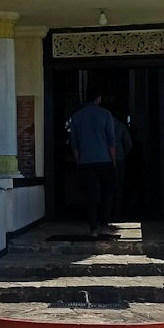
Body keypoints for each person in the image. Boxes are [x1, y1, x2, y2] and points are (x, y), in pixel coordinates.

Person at [69, 91, 116, 237]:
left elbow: (74, 144)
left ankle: (93, 229)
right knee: (106, 194)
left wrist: (79, 162)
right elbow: (111, 141)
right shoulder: (106, 114)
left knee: (90, 195)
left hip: (85, 162)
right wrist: (113, 161)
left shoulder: (76, 117)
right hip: (104, 161)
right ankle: (104, 226)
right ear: (99, 98)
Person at [110, 110, 132, 218]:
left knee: (106, 187)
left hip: (105, 158)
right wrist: (122, 153)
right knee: (118, 186)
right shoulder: (121, 126)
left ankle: (105, 213)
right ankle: (117, 213)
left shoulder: (103, 125)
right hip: (119, 158)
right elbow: (128, 144)